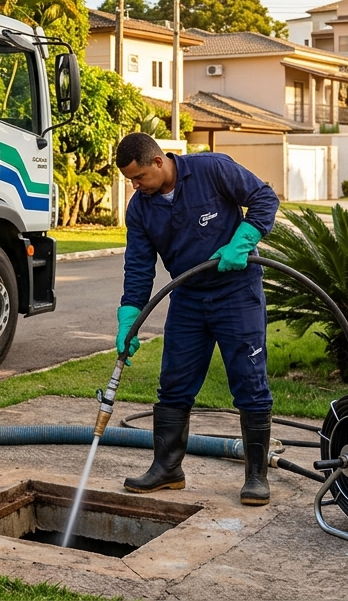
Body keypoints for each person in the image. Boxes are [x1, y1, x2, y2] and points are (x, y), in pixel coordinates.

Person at [113, 133, 280, 506]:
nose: (135, 186)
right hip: (188, 297)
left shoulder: (212, 169)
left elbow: (264, 198)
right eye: (130, 181)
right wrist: (129, 316)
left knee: (249, 383)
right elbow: (139, 267)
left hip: (236, 293)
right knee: (173, 384)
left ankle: (256, 476)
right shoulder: (141, 208)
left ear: (158, 162)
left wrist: (243, 240)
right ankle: (167, 469)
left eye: (138, 177)